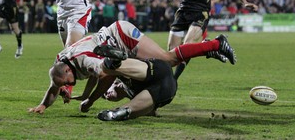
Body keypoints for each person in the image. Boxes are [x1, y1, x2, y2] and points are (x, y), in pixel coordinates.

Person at [27, 20, 235, 114]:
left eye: (68, 82)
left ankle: (216, 44)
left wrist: (89, 100)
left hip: (121, 37)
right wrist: (43, 105)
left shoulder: (82, 61)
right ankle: (210, 49)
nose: (68, 86)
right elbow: (54, 86)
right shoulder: (60, 61)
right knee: (156, 68)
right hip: (113, 40)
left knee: (166, 60)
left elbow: (107, 74)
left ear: (66, 70)